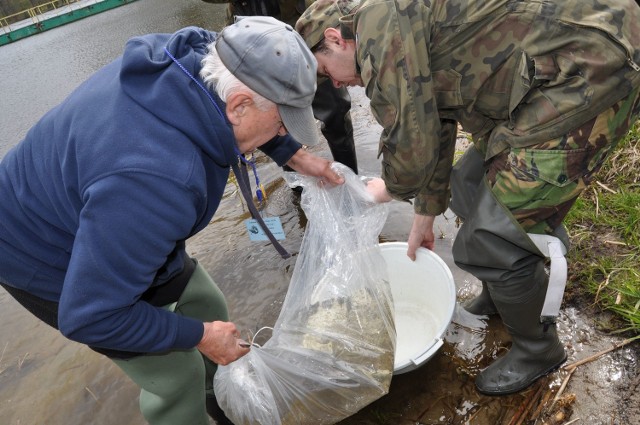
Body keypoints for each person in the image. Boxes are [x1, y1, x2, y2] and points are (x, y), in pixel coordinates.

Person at [0, 16, 343, 425]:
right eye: (284, 119)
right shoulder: (158, 183)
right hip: (37, 247)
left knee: (207, 304)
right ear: (240, 106)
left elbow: (245, 109)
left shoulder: (195, 56)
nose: (286, 128)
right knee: (175, 372)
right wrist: (199, 337)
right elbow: (91, 316)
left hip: (105, 205)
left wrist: (295, 154)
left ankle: (223, 402)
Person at [295, 0, 640, 395]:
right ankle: (503, 290)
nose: (337, 85)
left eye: (326, 72)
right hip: (554, 68)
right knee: (468, 186)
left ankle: (537, 348)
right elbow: (433, 116)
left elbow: (411, 147)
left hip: (591, 67)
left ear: (335, 39)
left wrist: (386, 189)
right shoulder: (379, 22)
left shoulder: (379, 32)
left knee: (491, 239)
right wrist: (425, 214)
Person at [202, 0, 359, 174]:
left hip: (301, 37)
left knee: (336, 109)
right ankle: (298, 182)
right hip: (250, 40)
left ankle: (350, 176)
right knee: (271, 121)